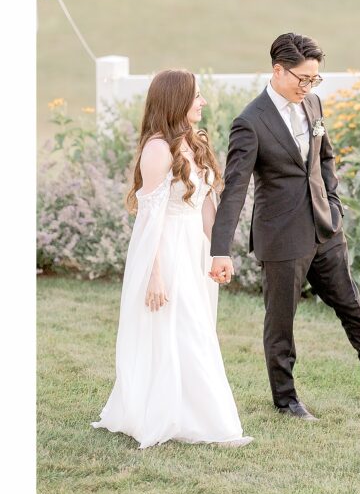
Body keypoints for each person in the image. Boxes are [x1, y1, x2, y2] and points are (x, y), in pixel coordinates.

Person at [208, 32, 360, 420]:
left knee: (352, 306)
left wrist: (334, 207)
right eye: (303, 79)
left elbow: (324, 160)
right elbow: (233, 190)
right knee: (281, 323)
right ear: (278, 71)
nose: (309, 86)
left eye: (314, 79)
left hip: (325, 228)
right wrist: (220, 250)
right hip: (282, 237)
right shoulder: (249, 123)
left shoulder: (313, 104)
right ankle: (286, 400)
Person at [93, 71, 248, 450]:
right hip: (166, 252)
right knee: (182, 330)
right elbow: (151, 220)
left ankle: (188, 411)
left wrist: (218, 252)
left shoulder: (194, 143)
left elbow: (206, 208)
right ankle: (206, 421)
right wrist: (154, 275)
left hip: (193, 248)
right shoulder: (158, 149)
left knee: (195, 329)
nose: (203, 102)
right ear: (177, 100)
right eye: (197, 96)